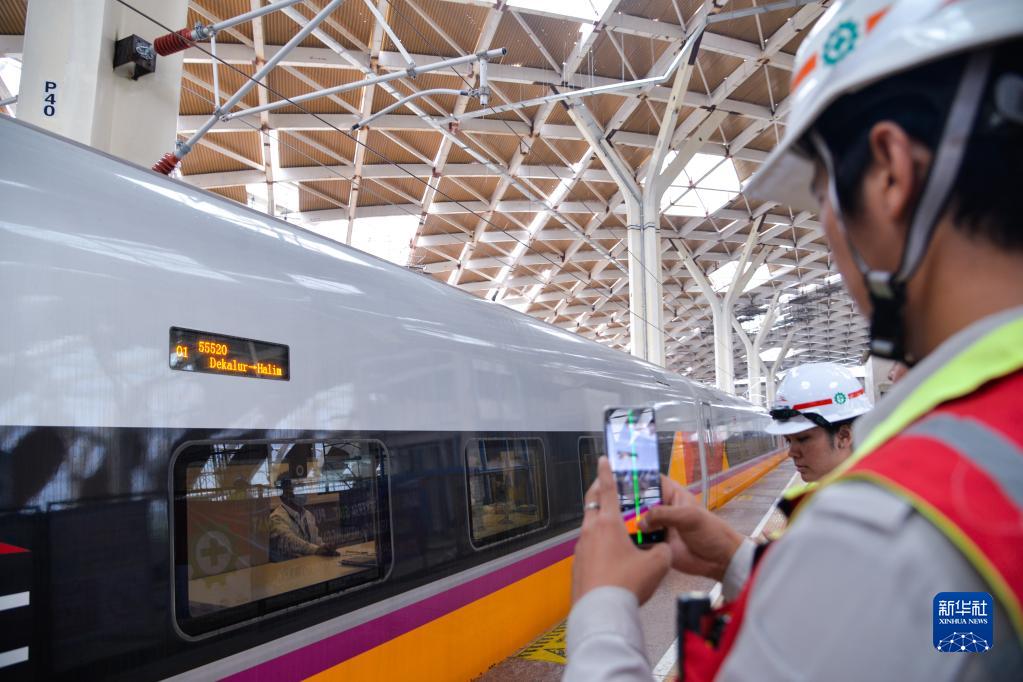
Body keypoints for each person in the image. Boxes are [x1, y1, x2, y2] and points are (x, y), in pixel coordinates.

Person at [565, 1, 1023, 679]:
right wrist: (733, 554)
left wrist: (600, 607)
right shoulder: (977, 473)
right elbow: (955, 633)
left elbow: (909, 602)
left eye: (821, 197)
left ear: (890, 173)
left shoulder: (888, 526)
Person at [766, 362, 872, 482]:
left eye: (802, 439)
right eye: (788, 440)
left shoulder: (877, 496)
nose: (791, 453)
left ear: (844, 436)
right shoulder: (828, 492)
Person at [269, 476, 335, 562]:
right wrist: (316, 550)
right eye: (298, 488)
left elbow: (316, 541)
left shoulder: (308, 515)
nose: (303, 492)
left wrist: (325, 547)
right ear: (285, 494)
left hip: (310, 566)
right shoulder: (276, 518)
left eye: (303, 487)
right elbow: (292, 542)